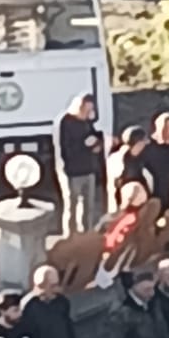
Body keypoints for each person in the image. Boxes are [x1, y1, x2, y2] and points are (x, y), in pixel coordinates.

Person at [55, 92, 104, 236]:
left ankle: (86, 233)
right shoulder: (66, 122)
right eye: (85, 110)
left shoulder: (86, 122)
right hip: (72, 171)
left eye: (90, 110)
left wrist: (99, 144)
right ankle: (70, 235)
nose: (87, 114)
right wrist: (86, 146)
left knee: (89, 206)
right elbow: (67, 148)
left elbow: (94, 136)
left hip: (89, 169)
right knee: (72, 205)